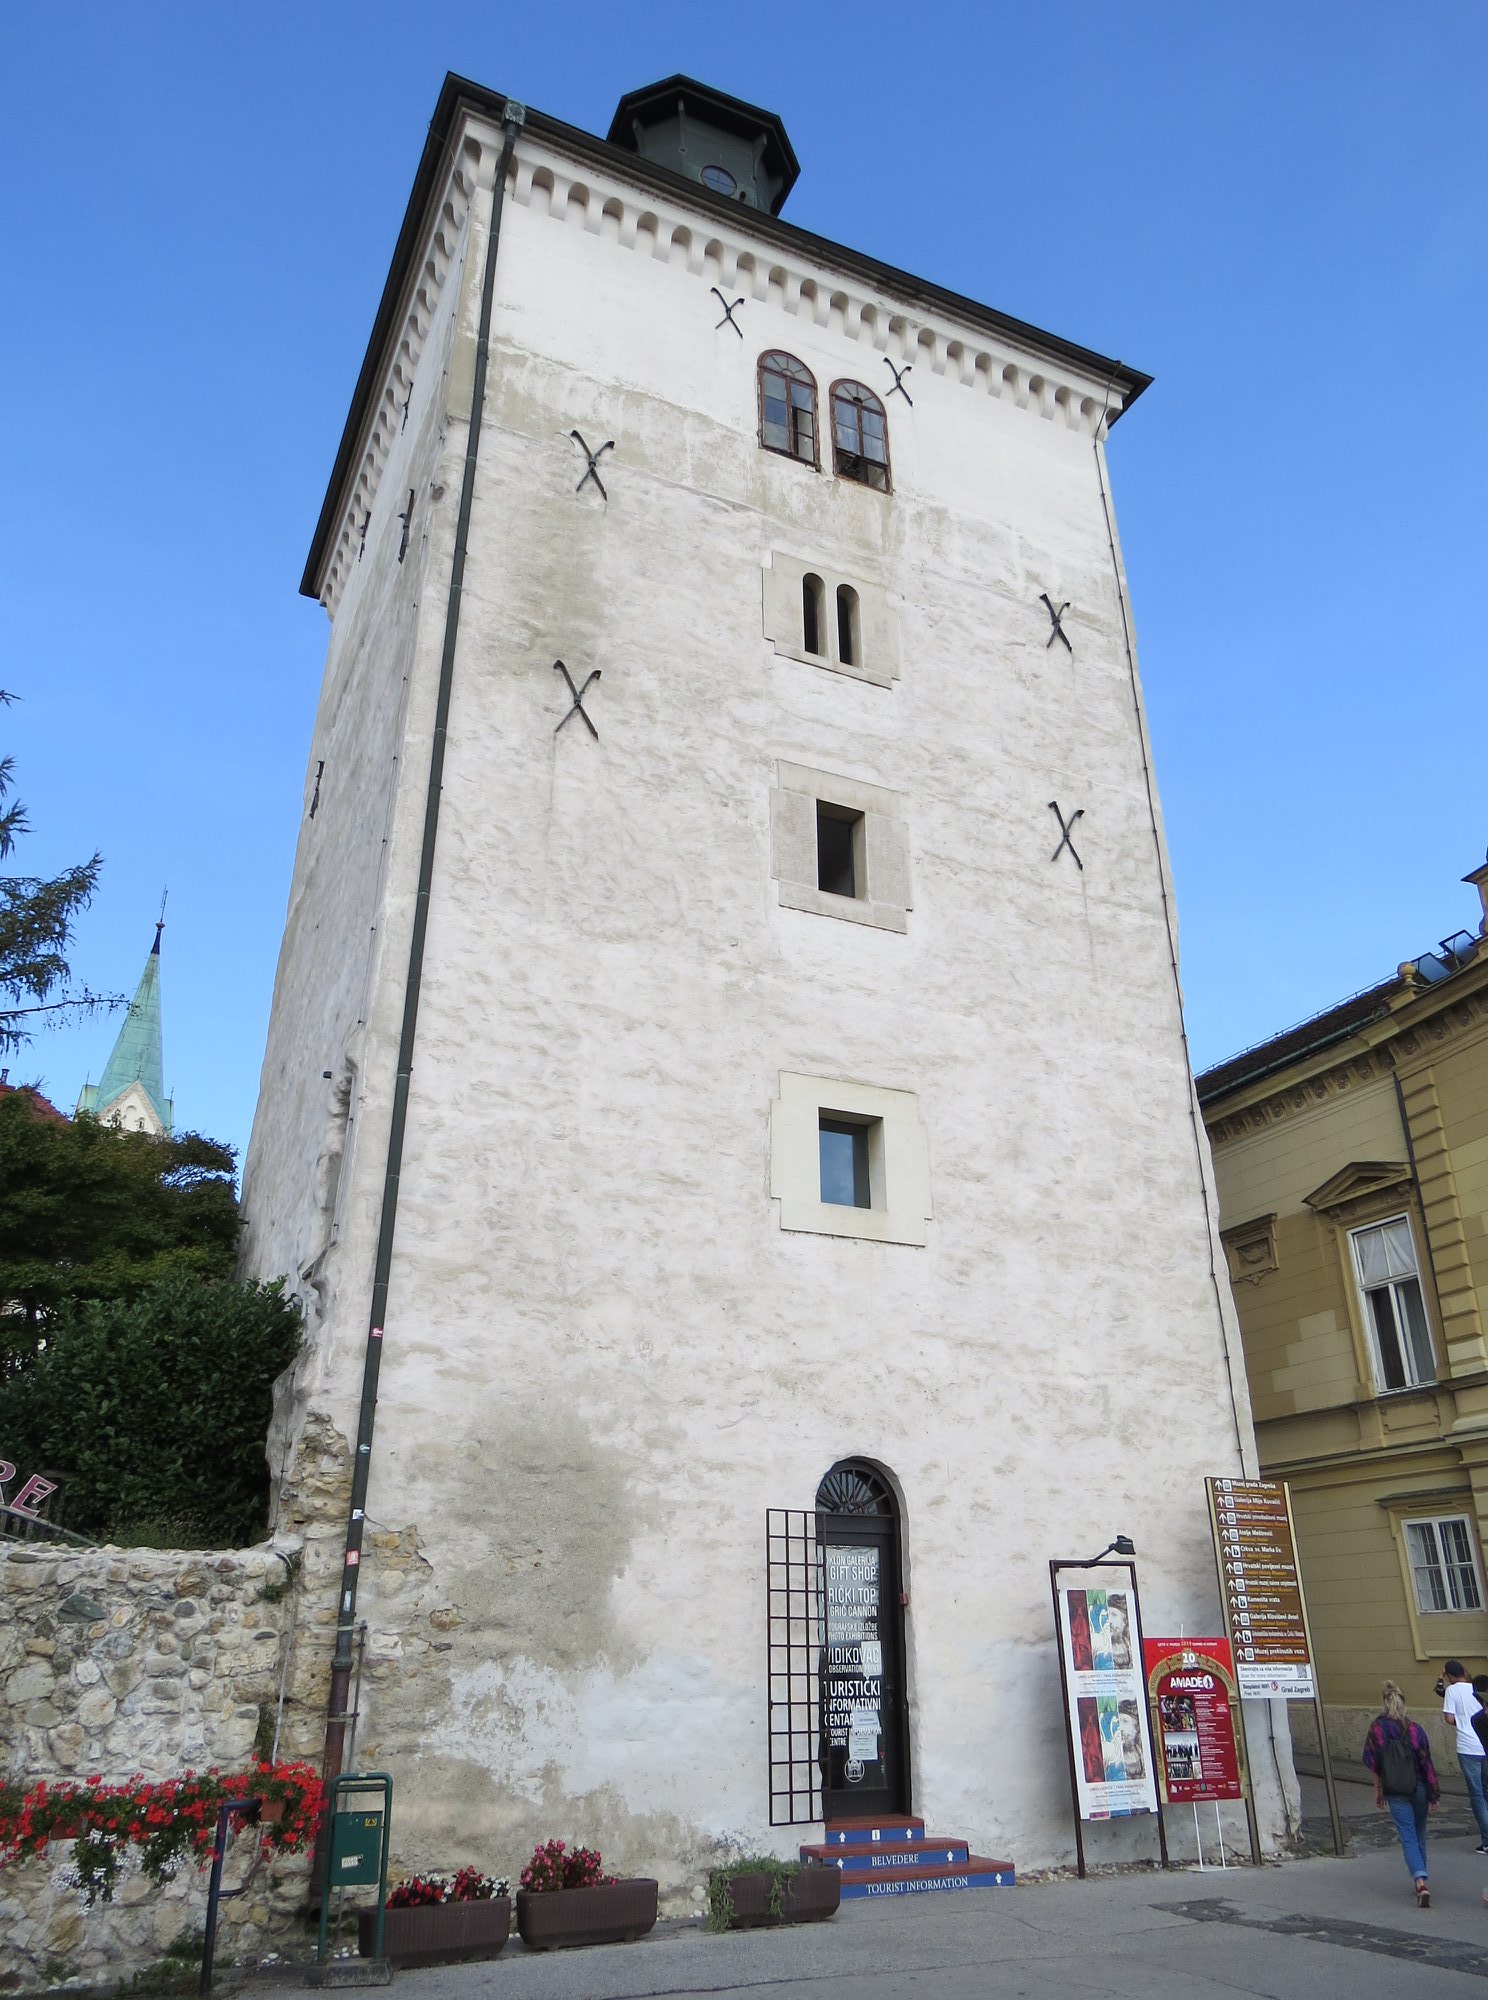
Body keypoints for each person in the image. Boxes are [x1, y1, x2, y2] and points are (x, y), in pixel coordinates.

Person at [1363, 1680, 1439, 1907]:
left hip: (1395, 1790)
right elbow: (1426, 1763)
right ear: (1403, 1703)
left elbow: (1373, 1763)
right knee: (1419, 1832)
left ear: (1385, 1703)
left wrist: (1378, 1791)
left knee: (1407, 1835)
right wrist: (1434, 1794)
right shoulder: (1414, 1730)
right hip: (1419, 1788)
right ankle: (1421, 1878)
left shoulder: (1377, 1729)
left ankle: (1420, 1882)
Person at [1441, 1660, 1488, 1853]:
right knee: (1485, 1790)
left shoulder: (1452, 1691)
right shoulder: (1476, 1686)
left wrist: (1461, 1723)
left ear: (1450, 1676)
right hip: (1483, 1743)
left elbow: (1449, 1718)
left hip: (1467, 1747)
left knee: (1477, 1795)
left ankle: (1487, 1840)